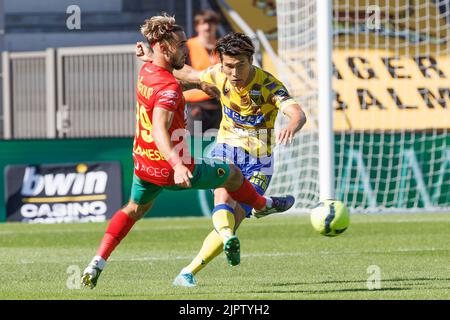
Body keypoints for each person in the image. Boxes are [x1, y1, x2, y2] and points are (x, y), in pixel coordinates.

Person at [81, 15, 294, 289]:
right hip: (172, 167)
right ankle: (262, 205)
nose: (187, 49)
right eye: (181, 45)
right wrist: (178, 165)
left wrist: (152, 58)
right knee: (231, 175)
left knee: (133, 208)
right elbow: (160, 127)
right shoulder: (169, 88)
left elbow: (188, 77)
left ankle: (97, 261)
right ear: (165, 48)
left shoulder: (146, 71)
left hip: (143, 164)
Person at [161, 32, 306, 287]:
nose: (234, 72)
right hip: (227, 148)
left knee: (235, 217)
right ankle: (190, 271)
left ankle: (254, 211)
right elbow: (189, 75)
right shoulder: (218, 74)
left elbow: (296, 112)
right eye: (229, 66)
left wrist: (292, 126)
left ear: (251, 60)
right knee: (222, 199)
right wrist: (156, 59)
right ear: (222, 63)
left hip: (260, 160)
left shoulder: (268, 85)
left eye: (240, 65)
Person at [184, 10, 222, 135]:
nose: (207, 27)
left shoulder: (223, 47)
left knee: (218, 147)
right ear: (197, 26)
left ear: (216, 25)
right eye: (203, 23)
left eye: (211, 23)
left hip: (220, 105)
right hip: (195, 107)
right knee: (196, 146)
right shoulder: (187, 47)